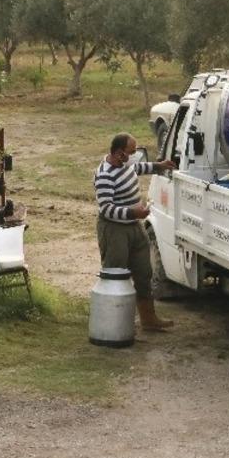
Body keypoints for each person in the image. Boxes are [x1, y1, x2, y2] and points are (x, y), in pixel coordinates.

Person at [94, 132, 176, 331]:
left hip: (134, 226)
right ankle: (113, 322)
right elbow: (107, 209)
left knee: (144, 272)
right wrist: (134, 212)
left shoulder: (126, 163)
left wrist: (159, 166)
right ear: (119, 153)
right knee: (116, 273)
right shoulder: (104, 175)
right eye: (130, 152)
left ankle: (148, 319)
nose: (133, 156)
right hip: (114, 230)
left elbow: (138, 167)